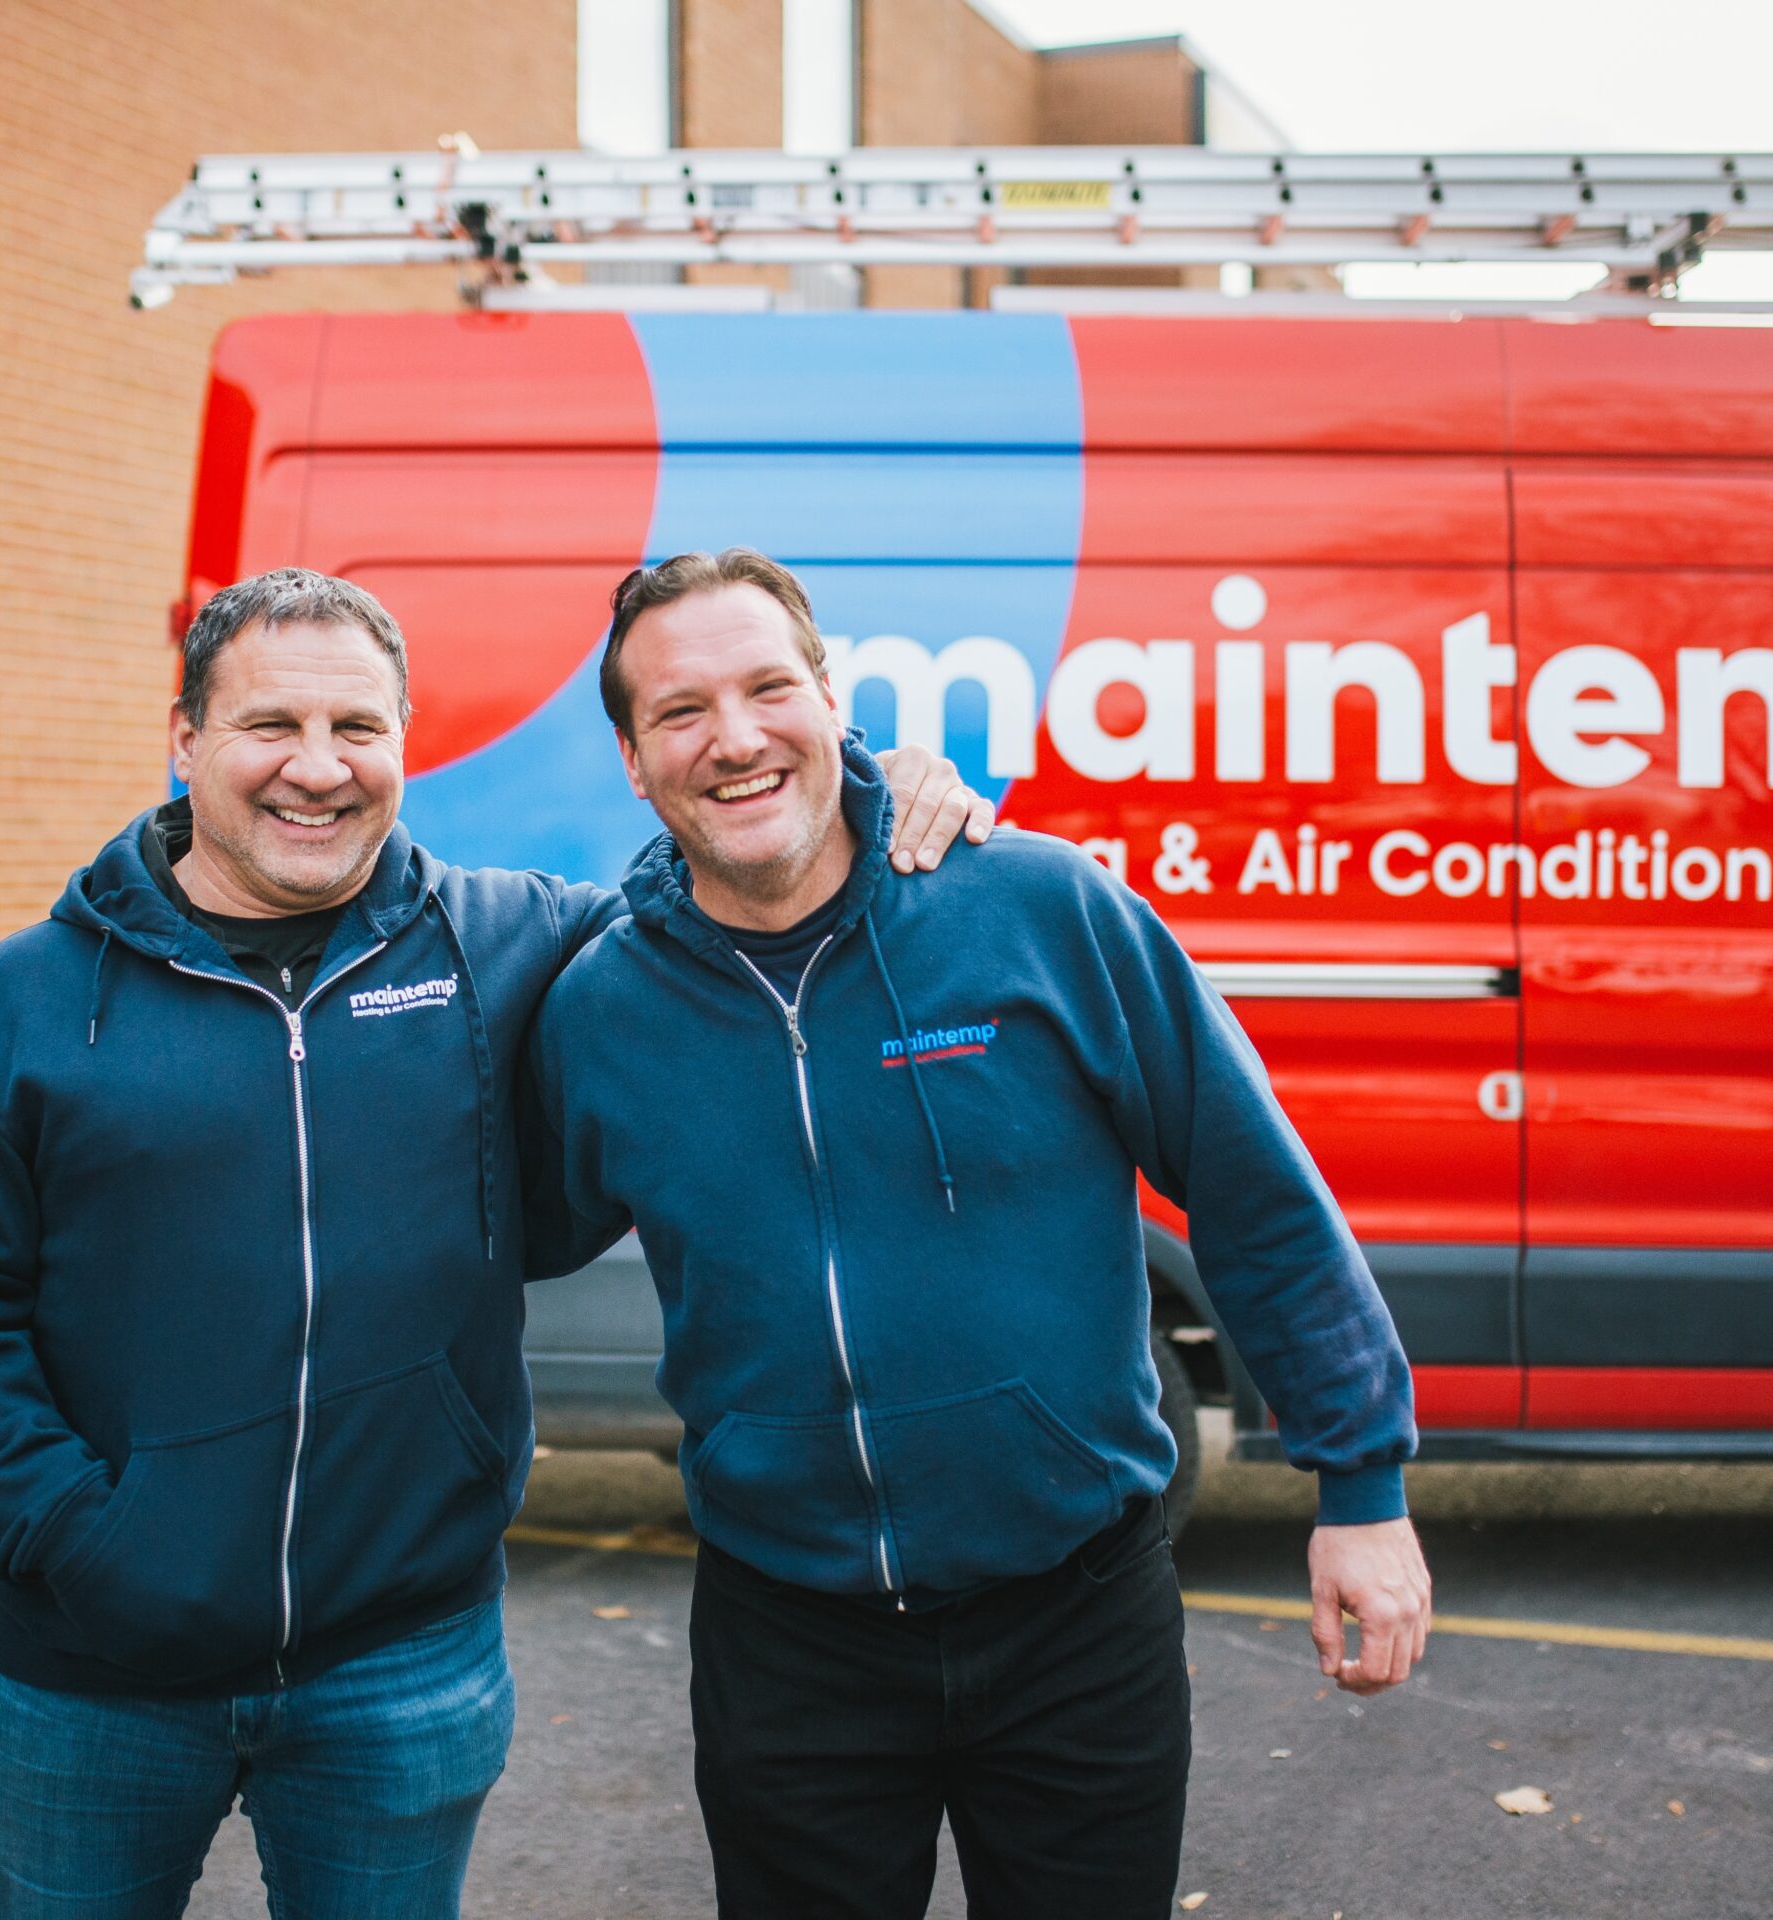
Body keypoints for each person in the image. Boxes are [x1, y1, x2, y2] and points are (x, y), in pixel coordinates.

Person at [0, 567, 990, 1920]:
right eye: (270, 726)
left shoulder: (513, 944)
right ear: (184, 741)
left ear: (405, 745)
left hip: (400, 1667)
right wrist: (73, 1542)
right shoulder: (19, 1004)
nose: (318, 771)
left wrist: (876, 783)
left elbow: (726, 874)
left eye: (360, 730)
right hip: (89, 1672)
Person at [527, 549, 1433, 1920]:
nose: (734, 737)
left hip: (1075, 1615)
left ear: (831, 701)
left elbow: (1253, 1190)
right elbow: (490, 1233)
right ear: (631, 757)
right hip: (788, 1636)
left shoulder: (1034, 908)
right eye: (680, 710)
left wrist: (1360, 1485)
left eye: (770, 687)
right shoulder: (603, 1008)